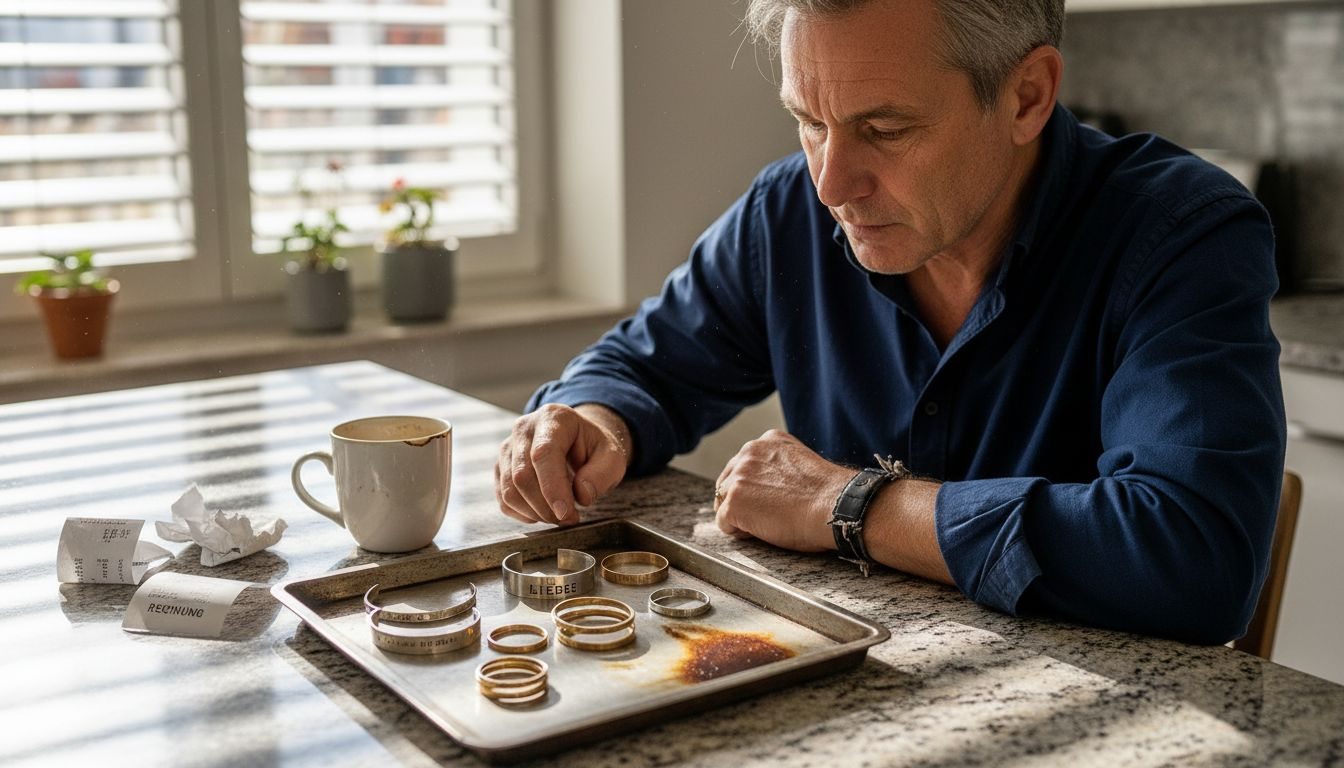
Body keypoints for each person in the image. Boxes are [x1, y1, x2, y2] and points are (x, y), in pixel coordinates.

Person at [493, 0, 1286, 645]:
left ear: (1027, 96)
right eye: (808, 120)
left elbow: (1193, 560)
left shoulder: (1183, 234)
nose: (832, 182)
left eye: (886, 130)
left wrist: (855, 506)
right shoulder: (788, 214)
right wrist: (593, 421)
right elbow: (641, 367)